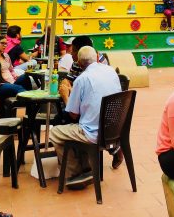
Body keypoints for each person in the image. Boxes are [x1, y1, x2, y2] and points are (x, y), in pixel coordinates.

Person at [50, 46, 123, 189]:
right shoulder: (111, 71)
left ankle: (75, 174)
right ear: (96, 56)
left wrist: (66, 96)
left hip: (93, 134)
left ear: (78, 62)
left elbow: (73, 114)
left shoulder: (82, 79)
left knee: (56, 132)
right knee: (76, 128)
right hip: (113, 130)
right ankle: (86, 169)